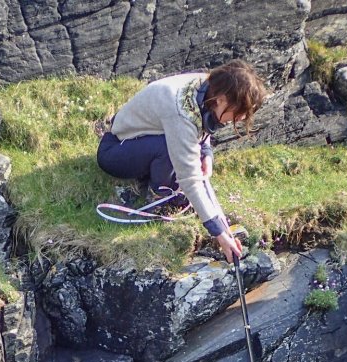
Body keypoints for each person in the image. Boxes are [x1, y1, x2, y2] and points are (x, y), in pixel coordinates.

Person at [97, 60, 267, 262]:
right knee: (169, 149)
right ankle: (160, 197)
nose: (238, 119)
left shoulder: (208, 86)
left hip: (141, 139)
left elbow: (201, 127)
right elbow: (190, 179)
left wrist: (206, 153)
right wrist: (219, 233)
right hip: (115, 152)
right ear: (221, 99)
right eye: (237, 112)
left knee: (174, 147)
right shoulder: (180, 112)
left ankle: (158, 179)